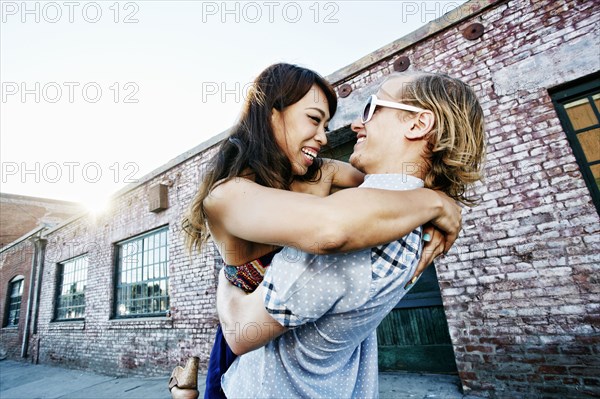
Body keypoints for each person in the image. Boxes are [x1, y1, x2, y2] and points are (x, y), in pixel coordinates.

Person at [171, 64, 462, 399]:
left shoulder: (321, 173)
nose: (324, 137)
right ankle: (183, 389)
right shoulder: (228, 195)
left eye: (326, 125)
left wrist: (439, 196)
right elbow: (332, 226)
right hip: (247, 336)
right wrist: (435, 203)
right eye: (314, 119)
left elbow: (383, 188)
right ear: (271, 115)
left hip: (293, 330)